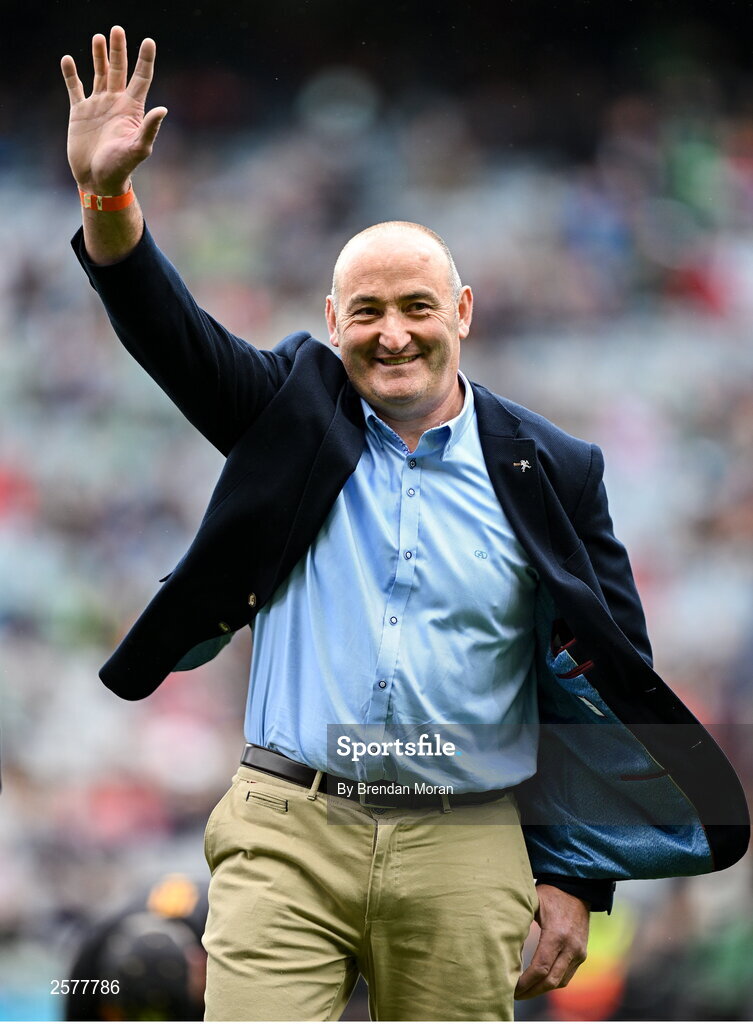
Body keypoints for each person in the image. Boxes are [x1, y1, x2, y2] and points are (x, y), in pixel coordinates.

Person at [61, 27, 749, 1022]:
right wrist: (108, 202)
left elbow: (607, 679)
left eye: (418, 305)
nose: (394, 332)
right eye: (369, 309)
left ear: (462, 310)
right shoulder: (290, 408)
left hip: (466, 838)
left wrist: (579, 879)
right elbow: (168, 333)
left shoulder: (553, 468)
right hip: (289, 826)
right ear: (332, 318)